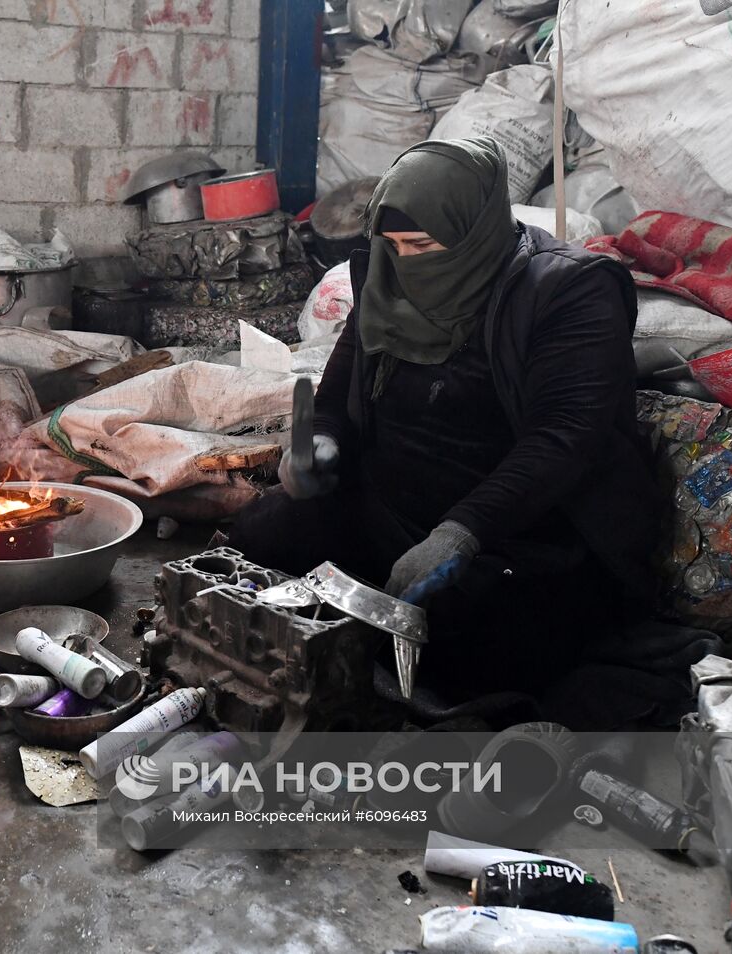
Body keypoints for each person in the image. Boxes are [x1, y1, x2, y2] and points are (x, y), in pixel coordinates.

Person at [229, 137, 660, 700]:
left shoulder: (570, 290)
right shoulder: (389, 276)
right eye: (394, 245)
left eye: (423, 245)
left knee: (469, 649)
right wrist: (321, 446)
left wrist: (461, 533)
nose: (407, 263)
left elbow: (565, 437)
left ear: (473, 231)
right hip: (392, 506)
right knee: (257, 544)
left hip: (520, 533)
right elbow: (334, 396)